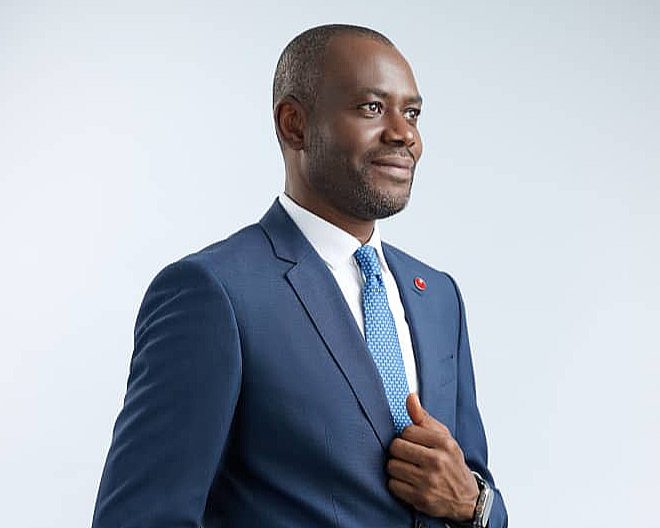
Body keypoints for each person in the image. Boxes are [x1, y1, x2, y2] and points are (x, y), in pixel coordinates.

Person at [92, 24, 507, 528]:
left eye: (412, 113)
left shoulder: (438, 297)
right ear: (294, 125)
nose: (404, 134)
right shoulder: (216, 293)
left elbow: (476, 490)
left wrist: (472, 504)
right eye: (372, 107)